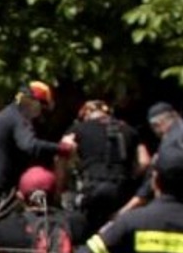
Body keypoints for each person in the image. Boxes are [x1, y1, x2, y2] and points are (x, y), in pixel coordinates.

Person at [0, 81, 73, 229]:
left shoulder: (10, 114)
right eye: (42, 106)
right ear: (32, 102)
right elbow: (29, 145)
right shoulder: (18, 119)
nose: (41, 113)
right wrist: (61, 148)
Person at [58, 100, 150, 241]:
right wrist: (131, 175)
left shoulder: (77, 129)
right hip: (121, 191)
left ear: (87, 113)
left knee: (86, 234)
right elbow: (144, 161)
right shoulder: (130, 130)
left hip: (92, 190)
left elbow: (62, 153)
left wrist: (60, 186)